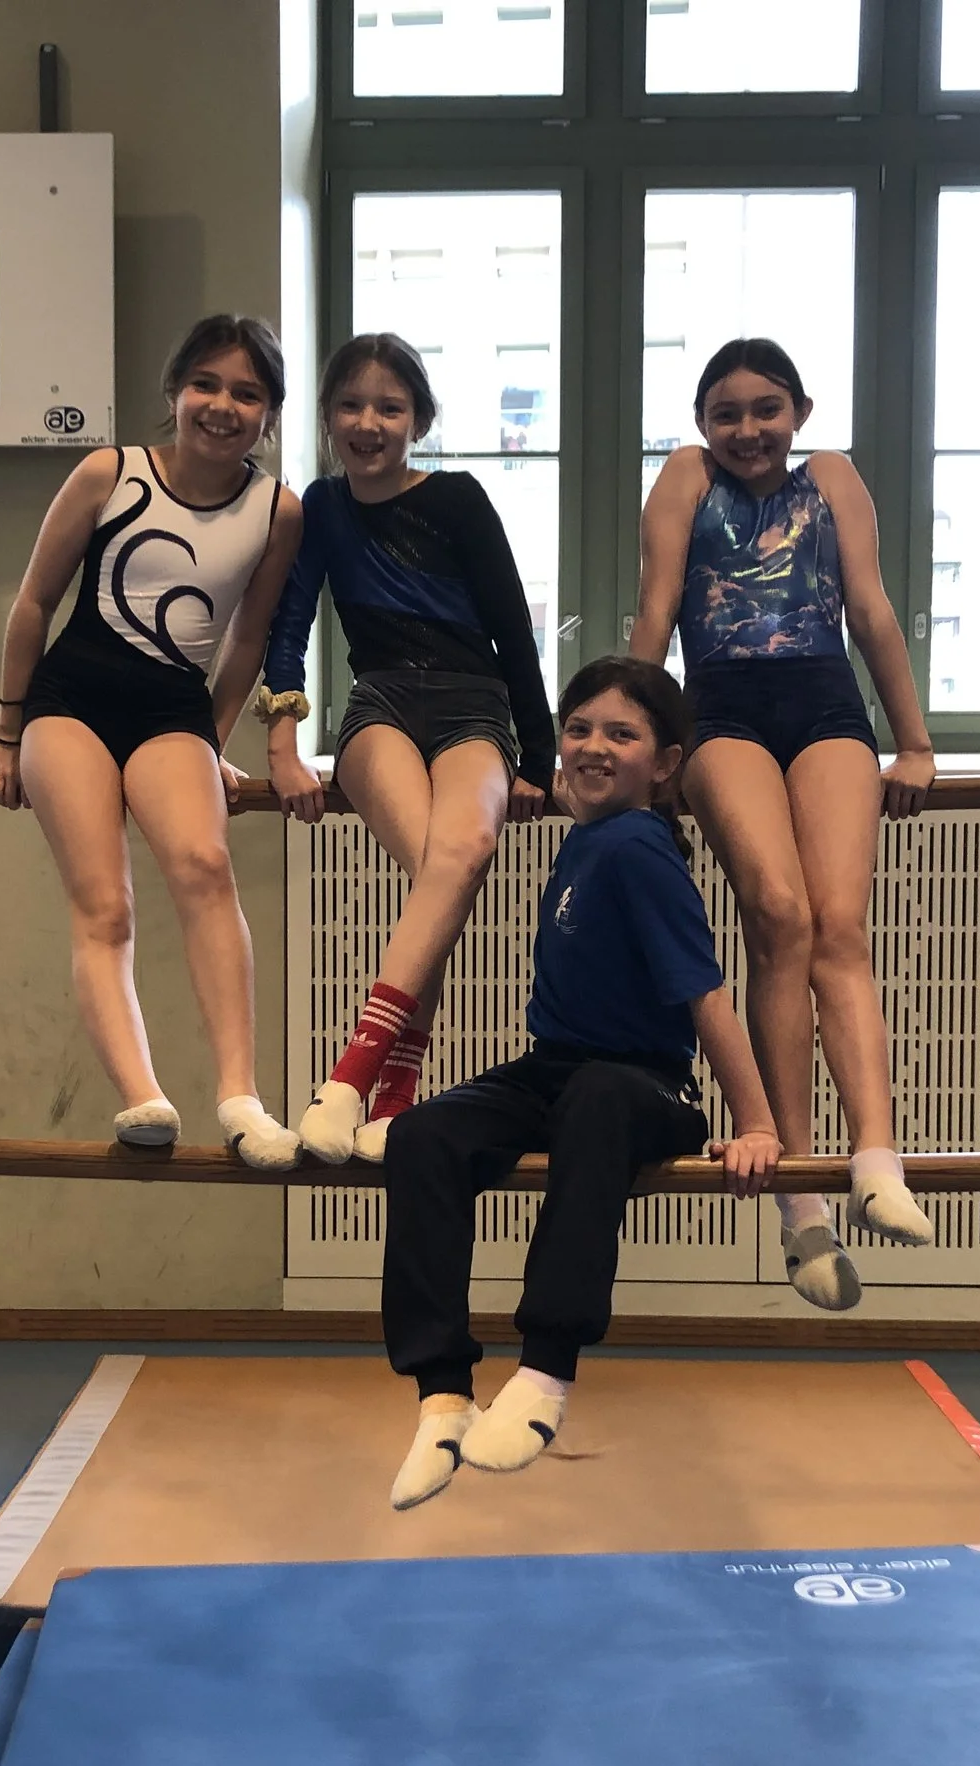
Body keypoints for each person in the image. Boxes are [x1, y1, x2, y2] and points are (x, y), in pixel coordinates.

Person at [380, 655, 781, 1510]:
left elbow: (705, 993)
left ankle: (545, 1368)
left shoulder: (639, 849)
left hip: (646, 1087)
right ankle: (442, 1394)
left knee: (596, 1099)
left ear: (665, 764)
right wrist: (555, 786)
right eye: (578, 730)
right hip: (557, 1071)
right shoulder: (593, 833)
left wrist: (758, 1124)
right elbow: (580, 788)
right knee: (422, 1134)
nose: (594, 746)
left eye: (621, 734)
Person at [631, 337, 938, 1314]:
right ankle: (799, 1198)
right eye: (725, 413)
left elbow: (872, 612)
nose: (747, 429)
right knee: (778, 914)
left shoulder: (832, 478)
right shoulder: (686, 478)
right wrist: (636, 739)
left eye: (767, 409)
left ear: (799, 412)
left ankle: (877, 1156)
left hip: (827, 704)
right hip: (720, 707)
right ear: (701, 424)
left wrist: (914, 741)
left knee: (838, 924)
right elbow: (654, 613)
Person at [0, 314, 304, 1168]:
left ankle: (240, 1096)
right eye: (206, 384)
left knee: (204, 865)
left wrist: (210, 740)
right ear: (175, 391)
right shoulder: (110, 473)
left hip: (172, 711)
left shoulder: (276, 510)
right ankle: (142, 1094)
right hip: (70, 702)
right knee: (106, 903)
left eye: (247, 394)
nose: (222, 406)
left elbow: (248, 638)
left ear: (270, 414)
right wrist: (8, 732)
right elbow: (33, 603)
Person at [261, 334, 555, 1165]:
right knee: (440, 873)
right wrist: (283, 746)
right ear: (326, 418)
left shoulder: (458, 498)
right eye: (350, 406)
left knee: (456, 855)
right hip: (381, 703)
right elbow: (289, 627)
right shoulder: (321, 507)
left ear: (419, 420)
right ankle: (384, 1091)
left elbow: (512, 628)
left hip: (473, 705)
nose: (369, 423)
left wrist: (537, 760)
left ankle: (354, 1081)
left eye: (389, 408)